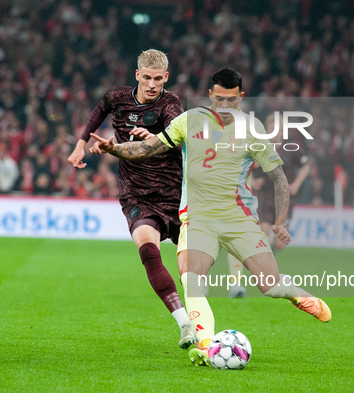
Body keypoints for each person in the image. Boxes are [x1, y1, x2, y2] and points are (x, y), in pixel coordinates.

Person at [91, 68, 331, 366]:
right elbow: (148, 147)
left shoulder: (254, 129)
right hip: (198, 218)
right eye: (219, 99)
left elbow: (280, 179)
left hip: (239, 219)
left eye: (231, 100)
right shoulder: (190, 120)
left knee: (269, 285)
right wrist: (115, 149)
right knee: (192, 279)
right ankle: (206, 345)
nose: (225, 106)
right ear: (210, 96)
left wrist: (280, 221)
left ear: (241, 97)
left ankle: (299, 296)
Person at [67, 49, 197, 350]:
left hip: (174, 194)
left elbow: (176, 138)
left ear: (166, 78)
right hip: (136, 193)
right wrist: (81, 144)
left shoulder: (170, 104)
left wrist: (151, 136)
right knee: (149, 252)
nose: (152, 85)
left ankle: (206, 318)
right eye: (147, 78)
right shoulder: (117, 97)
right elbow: (98, 111)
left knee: (192, 268)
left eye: (158, 79)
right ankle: (185, 325)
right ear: (137, 75)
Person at [227, 113, 311, 297]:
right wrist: (253, 180)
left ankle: (260, 263)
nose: (275, 132)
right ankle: (257, 269)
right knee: (263, 233)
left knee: (280, 244)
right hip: (264, 197)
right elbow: (242, 165)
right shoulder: (258, 145)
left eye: (279, 128)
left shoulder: (292, 148)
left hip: (284, 199)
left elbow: (306, 166)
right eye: (272, 128)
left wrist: (296, 183)